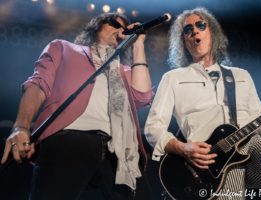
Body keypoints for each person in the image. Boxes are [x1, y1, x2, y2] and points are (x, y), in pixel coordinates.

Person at [145, 7, 261, 199]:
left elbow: (260, 130)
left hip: (252, 148)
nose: (194, 31)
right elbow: (153, 128)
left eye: (201, 25)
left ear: (212, 33)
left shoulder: (241, 76)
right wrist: (183, 148)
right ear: (184, 42)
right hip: (209, 161)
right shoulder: (173, 78)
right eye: (187, 29)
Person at [1, 12, 154, 200]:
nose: (120, 30)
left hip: (121, 152)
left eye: (124, 28)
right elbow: (38, 85)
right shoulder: (64, 48)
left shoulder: (126, 71)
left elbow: (143, 97)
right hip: (69, 139)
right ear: (96, 26)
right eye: (114, 23)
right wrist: (21, 126)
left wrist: (137, 43)